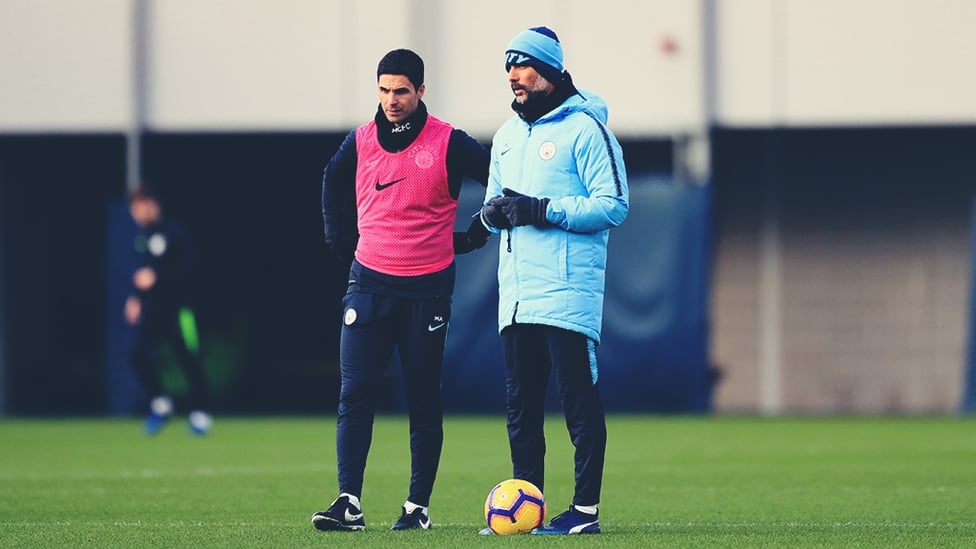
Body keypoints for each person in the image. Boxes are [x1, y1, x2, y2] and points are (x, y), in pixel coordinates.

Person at [311, 48, 490, 532]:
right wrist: (339, 237)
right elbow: (331, 178)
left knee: (422, 397)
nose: (392, 100)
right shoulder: (362, 139)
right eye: (385, 90)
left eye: (402, 91)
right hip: (368, 284)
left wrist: (473, 236)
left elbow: (501, 181)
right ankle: (348, 502)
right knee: (355, 392)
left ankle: (417, 508)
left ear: (421, 91)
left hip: (427, 290)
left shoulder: (449, 141)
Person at [479, 26, 629, 535]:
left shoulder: (587, 129)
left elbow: (614, 205)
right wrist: (493, 214)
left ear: (551, 70)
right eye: (508, 66)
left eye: (523, 65)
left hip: (565, 293)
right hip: (517, 296)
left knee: (578, 405)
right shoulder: (505, 136)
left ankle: (584, 512)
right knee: (520, 411)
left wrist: (541, 209)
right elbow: (492, 208)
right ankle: (529, 510)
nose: (513, 76)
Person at [124, 188, 213, 436]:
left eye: (140, 207)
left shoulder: (175, 231)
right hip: (154, 310)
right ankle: (162, 405)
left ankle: (201, 414)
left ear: (152, 204)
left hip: (179, 309)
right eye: (134, 210)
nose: (137, 214)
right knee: (137, 355)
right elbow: (144, 272)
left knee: (188, 359)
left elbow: (188, 268)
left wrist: (158, 277)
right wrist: (135, 299)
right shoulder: (145, 237)